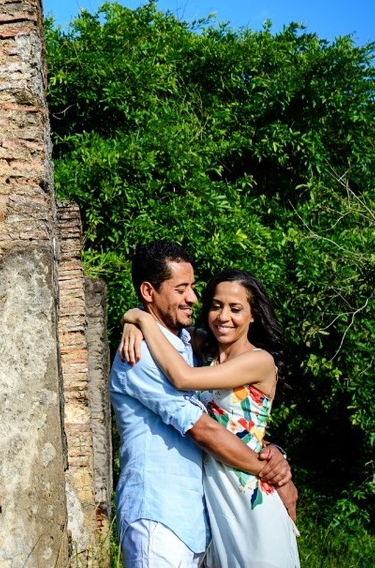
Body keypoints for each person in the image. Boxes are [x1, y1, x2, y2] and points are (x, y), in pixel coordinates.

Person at [110, 241, 294, 568]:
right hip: (161, 515)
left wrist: (277, 457)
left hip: (207, 515)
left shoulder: (187, 344)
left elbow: (238, 422)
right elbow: (204, 429)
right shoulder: (141, 355)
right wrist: (136, 317)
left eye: (194, 288)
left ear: (253, 316)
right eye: (182, 289)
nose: (193, 299)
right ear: (149, 291)